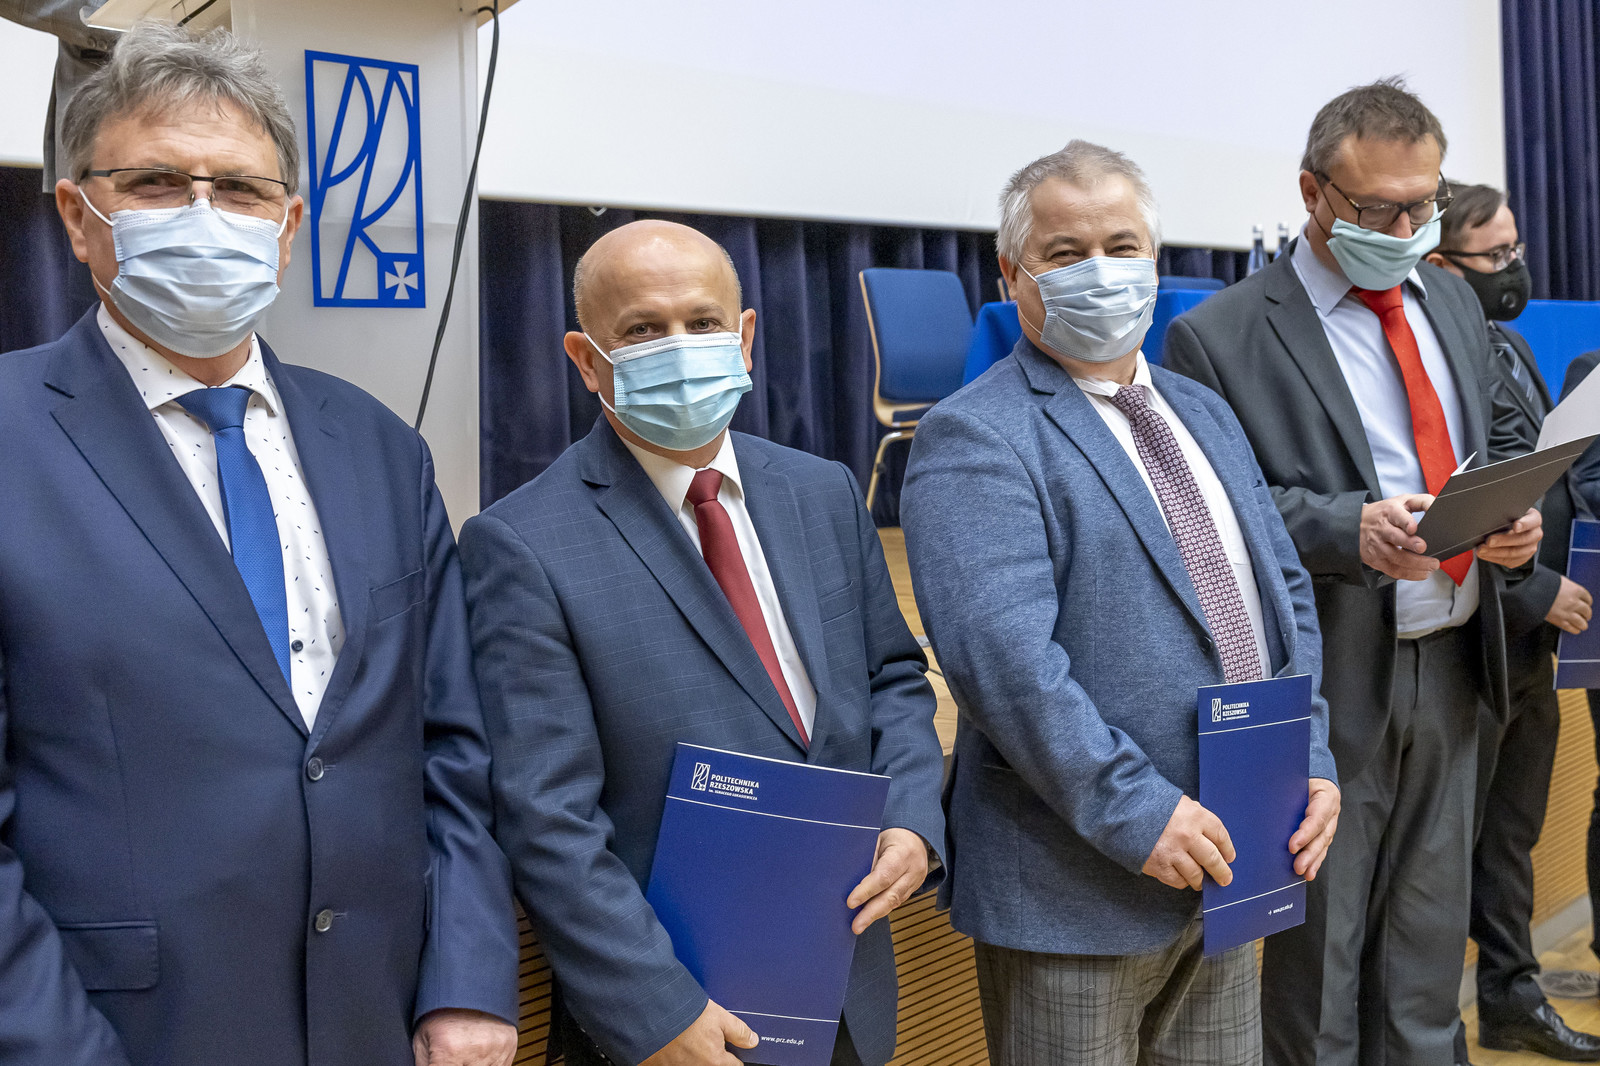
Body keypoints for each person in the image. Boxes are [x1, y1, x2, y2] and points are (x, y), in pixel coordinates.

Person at [0, 21, 520, 1066]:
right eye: (155, 182)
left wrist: (467, 979)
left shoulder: (381, 446)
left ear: (287, 229)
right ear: (78, 216)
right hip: (126, 1031)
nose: (203, 215)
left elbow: (451, 747)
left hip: (377, 1020)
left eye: (239, 189)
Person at [459, 219, 947, 1066]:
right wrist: (657, 1010)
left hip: (845, 978)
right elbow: (547, 817)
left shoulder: (823, 491)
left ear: (746, 337)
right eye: (642, 330)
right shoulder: (522, 545)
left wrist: (910, 816)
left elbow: (895, 679)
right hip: (678, 1008)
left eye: (703, 321)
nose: (679, 347)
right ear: (586, 360)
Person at [900, 140, 1340, 1066]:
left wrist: (1307, 755)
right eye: (1066, 253)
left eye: (1122, 246)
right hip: (1079, 885)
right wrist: (1140, 815)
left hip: (1238, 854)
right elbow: (1006, 667)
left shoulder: (1202, 409)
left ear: (1154, 258)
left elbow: (1285, 596)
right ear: (1012, 275)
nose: (1100, 270)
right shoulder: (974, 435)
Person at [1163, 78, 1545, 1066]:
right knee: (1319, 982)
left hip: (1457, 661)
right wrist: (1347, 527)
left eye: (1426, 204)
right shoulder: (1222, 335)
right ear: (1313, 192)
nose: (1409, 228)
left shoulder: (1449, 298)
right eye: (1380, 210)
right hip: (1332, 682)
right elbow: (1208, 516)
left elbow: (1495, 439)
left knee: (1426, 963)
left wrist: (1513, 520)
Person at [1427, 182, 1599, 1062]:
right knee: (1460, 838)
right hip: (1487, 628)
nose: (1514, 269)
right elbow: (1456, 502)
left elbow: (1541, 477)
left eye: (1516, 250)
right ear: (1441, 264)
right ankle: (1438, 1019)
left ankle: (1511, 997)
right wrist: (1537, 591)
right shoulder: (1435, 359)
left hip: (1538, 636)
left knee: (1514, 833)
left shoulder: (1515, 344)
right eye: (1495, 256)